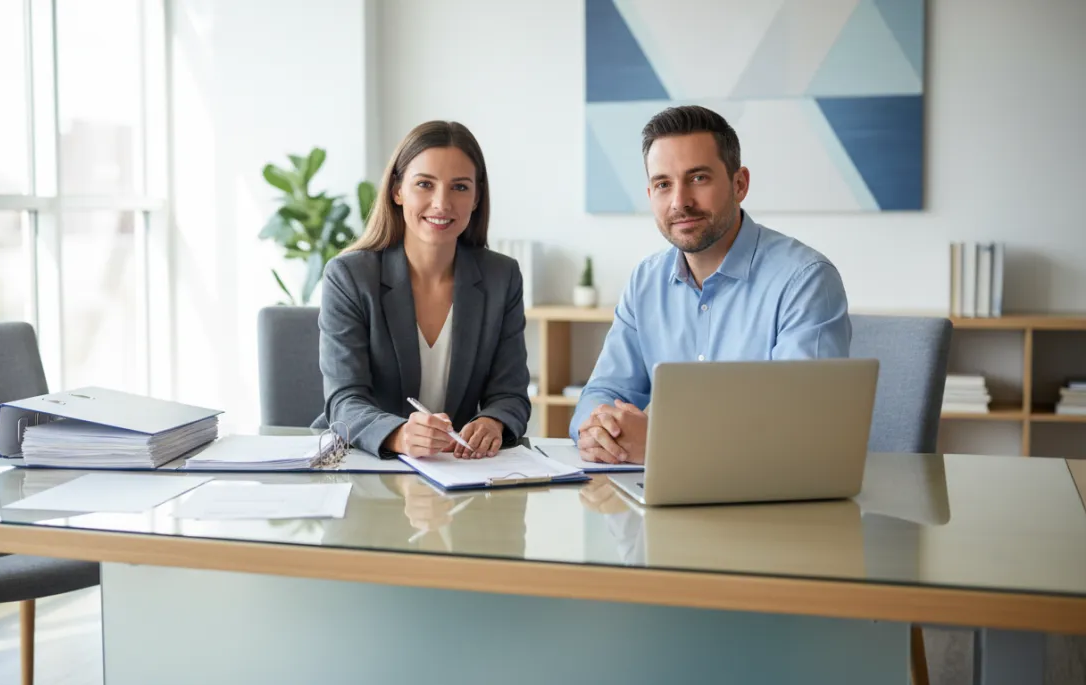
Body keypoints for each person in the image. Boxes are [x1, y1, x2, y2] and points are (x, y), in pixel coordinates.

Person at [571, 105, 851, 465]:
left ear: (739, 184)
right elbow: (603, 392)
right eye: (663, 184)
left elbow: (802, 429)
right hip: (659, 492)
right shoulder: (645, 281)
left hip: (770, 495)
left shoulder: (805, 281)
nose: (680, 202)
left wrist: (664, 445)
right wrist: (598, 430)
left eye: (698, 178)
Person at [312, 120, 530, 459]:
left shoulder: (502, 277)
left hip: (457, 467)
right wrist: (398, 435)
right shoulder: (349, 276)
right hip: (367, 462)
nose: (441, 203)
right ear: (397, 191)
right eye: (425, 184)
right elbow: (344, 400)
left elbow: (511, 393)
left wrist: (492, 421)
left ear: (476, 197)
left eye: (460, 187)